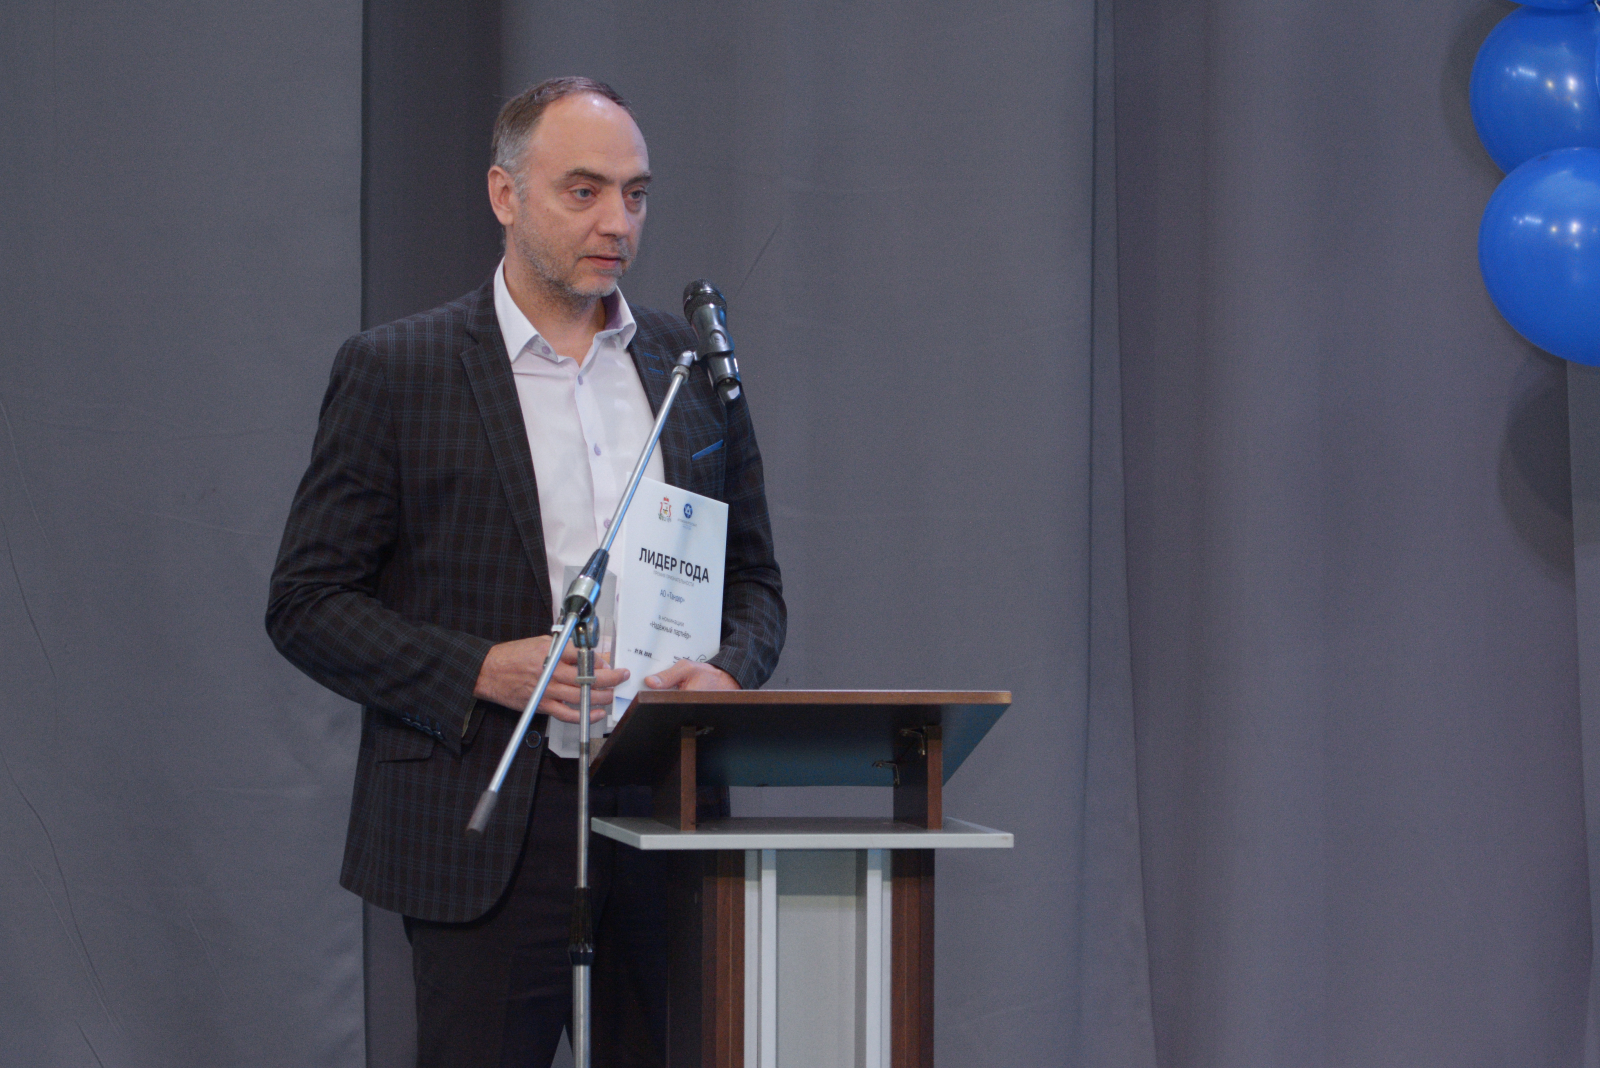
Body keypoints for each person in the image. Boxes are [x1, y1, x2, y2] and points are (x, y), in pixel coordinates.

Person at [265, 76, 786, 1068]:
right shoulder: (398, 370)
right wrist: (479, 669)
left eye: (635, 194)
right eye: (583, 191)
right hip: (493, 819)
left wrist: (729, 672)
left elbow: (755, 582)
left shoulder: (691, 367)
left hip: (663, 806)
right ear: (504, 195)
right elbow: (307, 604)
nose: (617, 221)